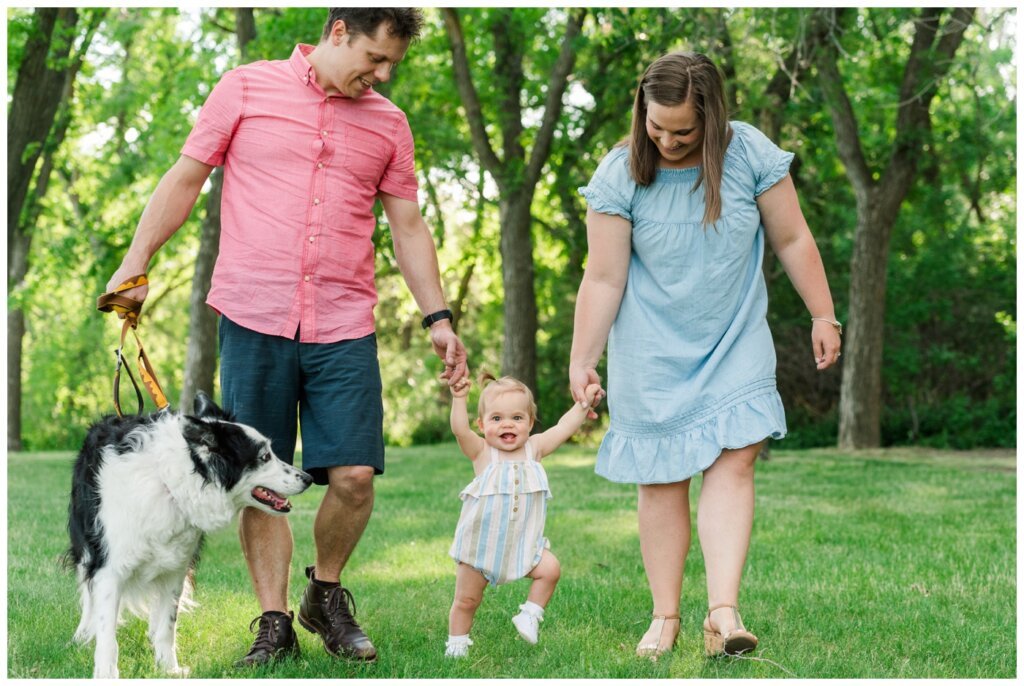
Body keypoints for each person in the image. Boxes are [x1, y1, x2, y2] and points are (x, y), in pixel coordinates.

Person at [104, 8, 467, 666]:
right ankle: (273, 622)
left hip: (344, 320)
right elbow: (186, 179)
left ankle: (324, 596)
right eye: (375, 59)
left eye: (393, 66)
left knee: (354, 476)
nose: (383, 75)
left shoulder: (389, 124)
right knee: (257, 482)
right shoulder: (244, 87)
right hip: (253, 314)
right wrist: (136, 264)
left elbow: (409, 225)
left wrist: (438, 317)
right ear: (336, 32)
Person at [568, 51, 841, 659]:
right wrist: (582, 357)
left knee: (733, 464)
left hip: (733, 338)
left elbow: (793, 237)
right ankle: (666, 616)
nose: (666, 139)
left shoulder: (747, 155)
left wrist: (823, 313)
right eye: (655, 126)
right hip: (650, 349)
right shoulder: (620, 173)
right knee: (661, 482)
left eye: (683, 130)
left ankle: (723, 613)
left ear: (713, 119)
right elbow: (604, 278)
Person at [443, 373, 603, 658]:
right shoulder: (482, 453)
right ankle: (457, 644)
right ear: (482, 425)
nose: (507, 424)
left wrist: (584, 403)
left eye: (517, 418)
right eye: (496, 419)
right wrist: (459, 398)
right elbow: (460, 431)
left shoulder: (535, 449)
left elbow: (565, 427)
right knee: (467, 600)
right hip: (481, 547)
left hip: (521, 546)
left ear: (530, 423)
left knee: (550, 569)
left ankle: (530, 613)